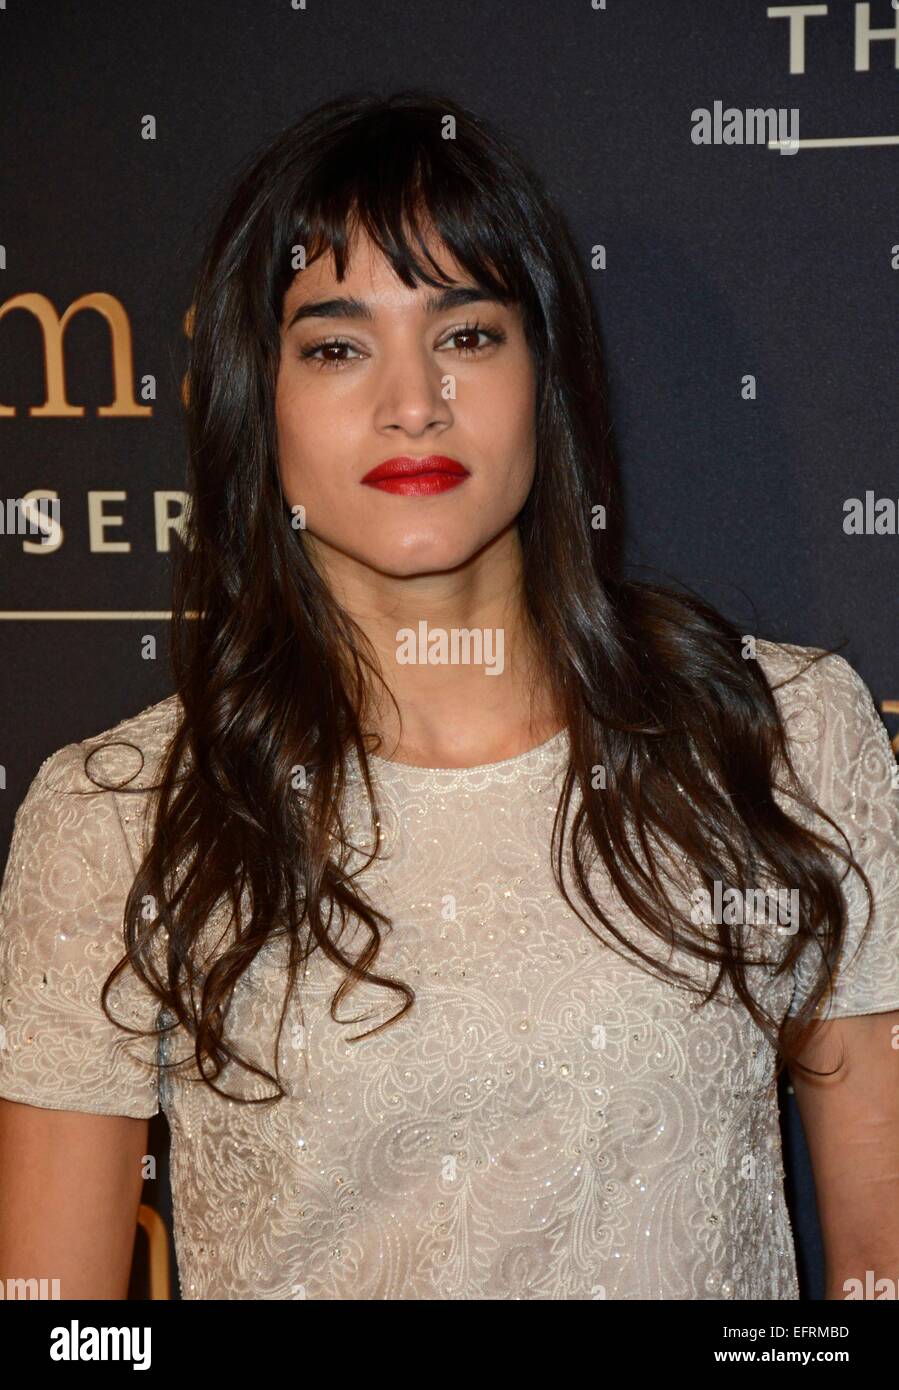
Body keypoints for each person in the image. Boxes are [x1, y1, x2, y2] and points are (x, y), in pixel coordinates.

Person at [1, 90, 897, 1302]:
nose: (412, 399)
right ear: (253, 405)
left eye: (466, 333)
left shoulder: (782, 737)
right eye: (335, 344)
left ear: (544, 376)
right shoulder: (118, 820)